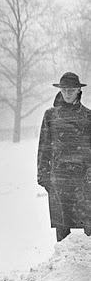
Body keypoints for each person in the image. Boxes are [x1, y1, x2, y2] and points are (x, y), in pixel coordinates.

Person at [37, 72, 91, 241]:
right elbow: (44, 148)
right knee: (62, 229)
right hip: (59, 180)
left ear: (78, 91)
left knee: (89, 227)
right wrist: (43, 177)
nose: (68, 93)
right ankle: (63, 265)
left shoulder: (88, 117)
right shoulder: (51, 115)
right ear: (60, 91)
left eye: (72, 90)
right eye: (65, 90)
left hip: (84, 180)